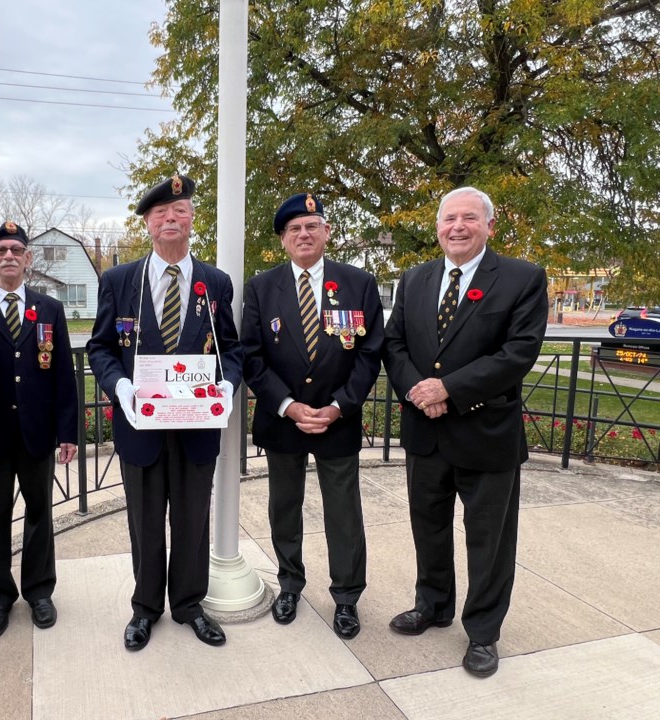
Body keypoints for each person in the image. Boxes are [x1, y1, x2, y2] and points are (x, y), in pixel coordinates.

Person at [382, 186, 548, 677]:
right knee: (428, 527)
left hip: (486, 433)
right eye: (449, 218)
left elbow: (518, 353)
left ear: (489, 226)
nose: (457, 226)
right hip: (426, 432)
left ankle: (482, 633)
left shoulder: (521, 278)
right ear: (438, 227)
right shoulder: (413, 279)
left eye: (469, 218)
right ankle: (432, 605)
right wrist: (419, 391)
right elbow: (394, 345)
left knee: (489, 541)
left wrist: (447, 390)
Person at [87, 174, 243, 651]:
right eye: (161, 213)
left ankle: (190, 604)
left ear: (193, 219)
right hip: (142, 426)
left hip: (197, 425)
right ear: (148, 224)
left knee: (193, 519)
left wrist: (227, 385)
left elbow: (231, 349)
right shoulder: (120, 280)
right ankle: (145, 608)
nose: (171, 218)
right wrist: (121, 386)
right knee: (146, 520)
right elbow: (101, 348)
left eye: (180, 210)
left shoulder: (215, 283)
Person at [241, 192, 383, 639]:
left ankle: (346, 597)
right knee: (285, 507)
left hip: (336, 420)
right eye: (294, 229)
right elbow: (251, 355)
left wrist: (339, 406)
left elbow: (369, 353)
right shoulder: (261, 287)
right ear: (283, 240)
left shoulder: (358, 283)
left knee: (344, 512)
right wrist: (288, 404)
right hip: (284, 420)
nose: (304, 234)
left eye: (312, 225)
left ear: (326, 232)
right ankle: (289, 584)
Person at [0, 221, 77, 639]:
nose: (9, 256)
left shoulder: (48, 308)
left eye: (16, 250)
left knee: (40, 514)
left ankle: (38, 591)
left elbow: (63, 374)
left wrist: (67, 432)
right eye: (0, 251)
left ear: (28, 259)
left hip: (37, 433)